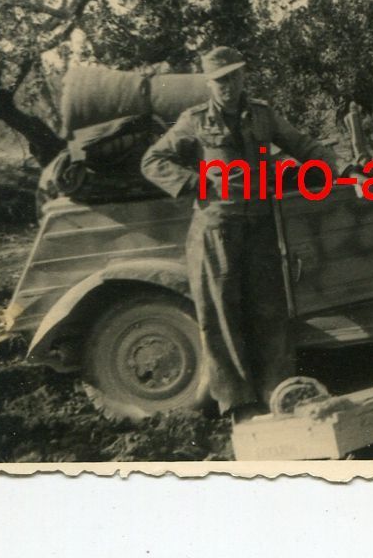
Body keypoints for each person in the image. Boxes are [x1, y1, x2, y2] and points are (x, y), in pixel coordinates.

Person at [141, 46, 338, 418]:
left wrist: (333, 165)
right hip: (217, 230)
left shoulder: (262, 115)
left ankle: (276, 394)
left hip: (260, 228)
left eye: (232, 76)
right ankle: (238, 403)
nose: (226, 86)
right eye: (218, 80)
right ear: (209, 83)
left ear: (243, 76)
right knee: (221, 316)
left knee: (270, 312)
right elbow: (153, 160)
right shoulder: (195, 121)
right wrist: (195, 183)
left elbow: (302, 144)